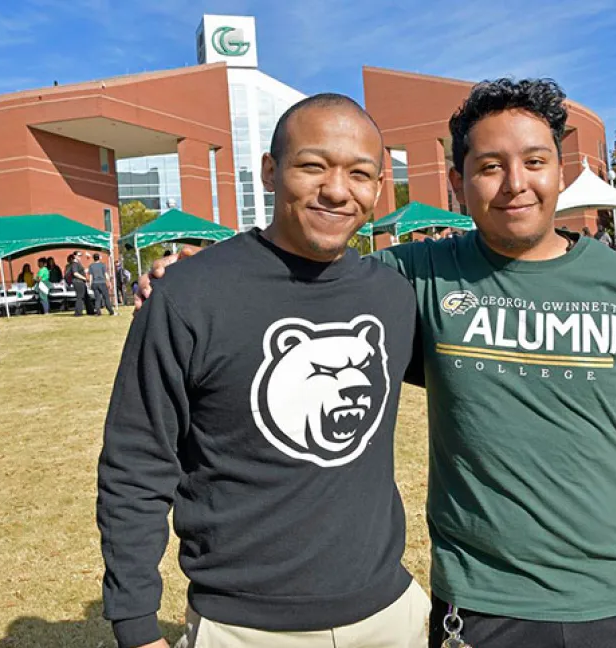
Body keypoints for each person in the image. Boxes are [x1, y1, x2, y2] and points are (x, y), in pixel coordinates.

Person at [137, 82, 616, 648]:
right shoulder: (416, 276)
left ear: (559, 170)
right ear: (457, 182)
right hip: (481, 601)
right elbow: (307, 268)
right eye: (489, 166)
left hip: (609, 595)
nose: (515, 183)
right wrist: (191, 273)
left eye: (535, 161)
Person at [99, 94, 428, 648]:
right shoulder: (191, 294)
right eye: (313, 166)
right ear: (271, 173)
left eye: (360, 174)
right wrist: (135, 625)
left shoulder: (394, 297)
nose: (337, 190)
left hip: (388, 615)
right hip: (243, 627)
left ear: (378, 189)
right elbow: (136, 465)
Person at [67, 252, 90, 317]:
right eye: (79, 255)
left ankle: (90, 311)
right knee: (80, 297)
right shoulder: (74, 264)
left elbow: (82, 271)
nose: (80, 257)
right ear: (75, 256)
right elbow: (75, 273)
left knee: (86, 297)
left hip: (81, 282)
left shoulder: (78, 263)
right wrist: (85, 279)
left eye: (80, 256)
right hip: (78, 282)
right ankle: (78, 313)